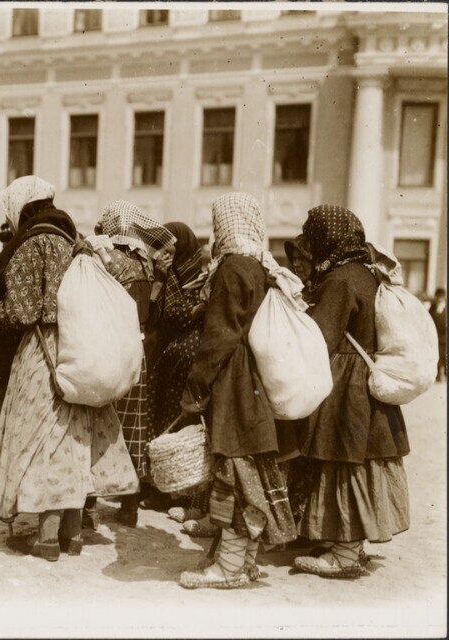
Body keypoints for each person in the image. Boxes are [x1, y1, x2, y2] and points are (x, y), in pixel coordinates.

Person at [0, 176, 138, 562]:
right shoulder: (73, 240)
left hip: (42, 353)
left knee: (41, 440)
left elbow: (21, 311)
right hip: (79, 346)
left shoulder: (31, 245)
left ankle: (47, 537)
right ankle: (72, 533)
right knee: (73, 440)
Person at [178, 192, 297, 589]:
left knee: (233, 473)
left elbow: (219, 337)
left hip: (234, 382)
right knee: (251, 473)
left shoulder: (231, 269)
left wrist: (196, 387)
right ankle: (244, 560)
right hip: (256, 382)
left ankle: (228, 567)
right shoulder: (261, 265)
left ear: (224, 226)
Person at [292, 205, 410, 579]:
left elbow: (322, 337)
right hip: (368, 380)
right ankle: (344, 544)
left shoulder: (339, 279)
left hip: (347, 382)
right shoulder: (369, 273)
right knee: (361, 459)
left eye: (313, 235)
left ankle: (344, 553)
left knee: (343, 460)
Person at [82, 201, 176, 528]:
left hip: (107, 348)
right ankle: (130, 506)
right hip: (137, 351)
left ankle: (88, 507)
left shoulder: (107, 261)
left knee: (98, 424)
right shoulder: (146, 264)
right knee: (133, 428)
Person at [146, 222, 212, 530]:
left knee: (185, 424)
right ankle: (164, 490)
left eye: (170, 248)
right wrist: (159, 279)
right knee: (164, 419)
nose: (164, 254)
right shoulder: (165, 273)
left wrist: (193, 308)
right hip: (168, 356)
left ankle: (184, 494)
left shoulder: (201, 271)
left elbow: (180, 314)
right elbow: (156, 314)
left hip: (190, 357)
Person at [284, 234, 315, 304]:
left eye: (301, 258)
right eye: (294, 259)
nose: (295, 264)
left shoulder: (326, 288)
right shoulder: (294, 290)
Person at [430, 288, 447, 382]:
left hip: (445, 336)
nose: (439, 299)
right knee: (437, 355)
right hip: (435, 335)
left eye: (441, 297)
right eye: (438, 297)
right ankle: (438, 374)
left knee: (444, 355)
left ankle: (444, 373)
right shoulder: (432, 308)